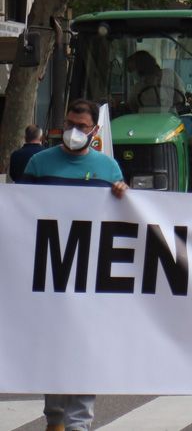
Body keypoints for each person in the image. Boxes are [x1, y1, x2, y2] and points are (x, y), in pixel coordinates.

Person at [18, 99, 127, 431]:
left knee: (83, 348)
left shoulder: (108, 170)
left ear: (95, 131)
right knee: (55, 347)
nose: (73, 131)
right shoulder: (39, 164)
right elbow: (20, 213)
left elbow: (121, 221)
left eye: (81, 126)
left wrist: (124, 195)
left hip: (89, 278)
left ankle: (79, 424)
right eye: (69, 124)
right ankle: (55, 419)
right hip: (50, 277)